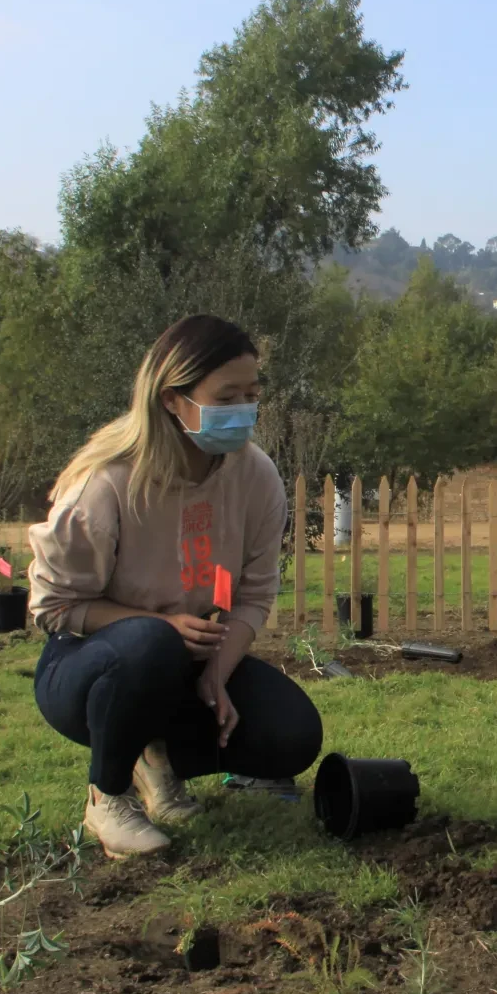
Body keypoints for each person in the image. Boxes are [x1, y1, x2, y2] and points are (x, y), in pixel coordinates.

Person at [28, 315, 321, 859]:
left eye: (252, 394)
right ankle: (108, 797)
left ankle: (156, 758)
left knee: (293, 734)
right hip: (91, 666)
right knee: (150, 646)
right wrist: (157, 627)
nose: (244, 409)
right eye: (226, 395)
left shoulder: (254, 476)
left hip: (188, 659)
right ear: (172, 399)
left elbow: (253, 595)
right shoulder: (109, 481)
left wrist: (216, 676)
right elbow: (55, 605)